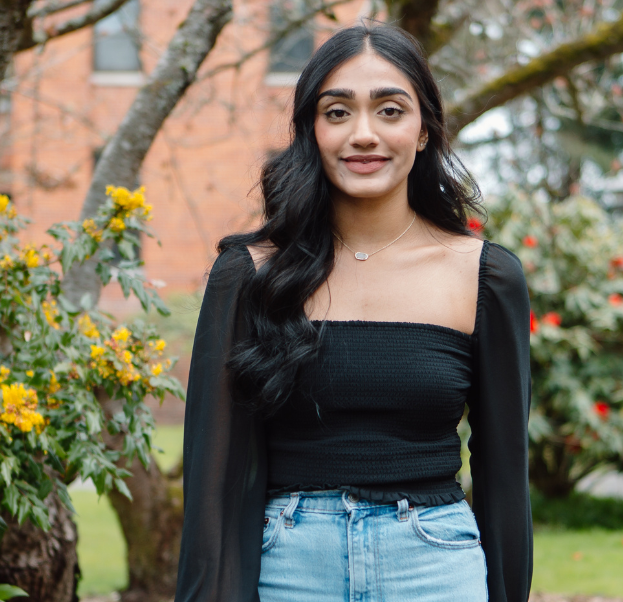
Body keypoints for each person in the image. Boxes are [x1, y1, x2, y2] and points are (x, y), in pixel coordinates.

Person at [174, 20, 531, 602]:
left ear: (423, 130)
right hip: (287, 565)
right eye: (337, 112)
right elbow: (212, 481)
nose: (363, 134)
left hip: (435, 565)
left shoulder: (483, 276)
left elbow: (504, 472)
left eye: (390, 110)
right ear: (311, 130)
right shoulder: (252, 273)